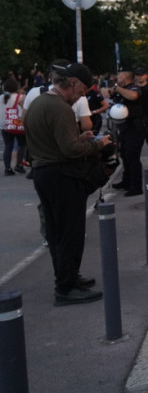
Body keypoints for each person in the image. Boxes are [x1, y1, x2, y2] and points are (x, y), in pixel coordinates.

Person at [24, 62, 112, 305]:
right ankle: (66, 288)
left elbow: (46, 140)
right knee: (70, 233)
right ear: (72, 83)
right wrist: (97, 144)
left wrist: (79, 137)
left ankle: (68, 278)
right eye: (83, 90)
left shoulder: (38, 102)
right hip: (61, 175)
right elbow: (70, 149)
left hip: (43, 173)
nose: (83, 95)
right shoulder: (60, 108)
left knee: (56, 232)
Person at [109, 68, 146, 196]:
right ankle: (127, 181)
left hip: (135, 128)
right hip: (124, 128)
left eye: (120, 74)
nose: (118, 76)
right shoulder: (120, 89)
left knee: (132, 156)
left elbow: (133, 96)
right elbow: (106, 94)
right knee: (124, 154)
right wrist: (112, 89)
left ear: (127, 77)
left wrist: (117, 89)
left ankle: (136, 186)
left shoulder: (134, 88)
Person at [2, 77, 27, 175]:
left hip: (5, 126)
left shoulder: (2, 97)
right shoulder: (21, 97)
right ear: (16, 87)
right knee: (22, 145)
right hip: (19, 125)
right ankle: (19, 165)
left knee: (8, 146)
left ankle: (7, 169)